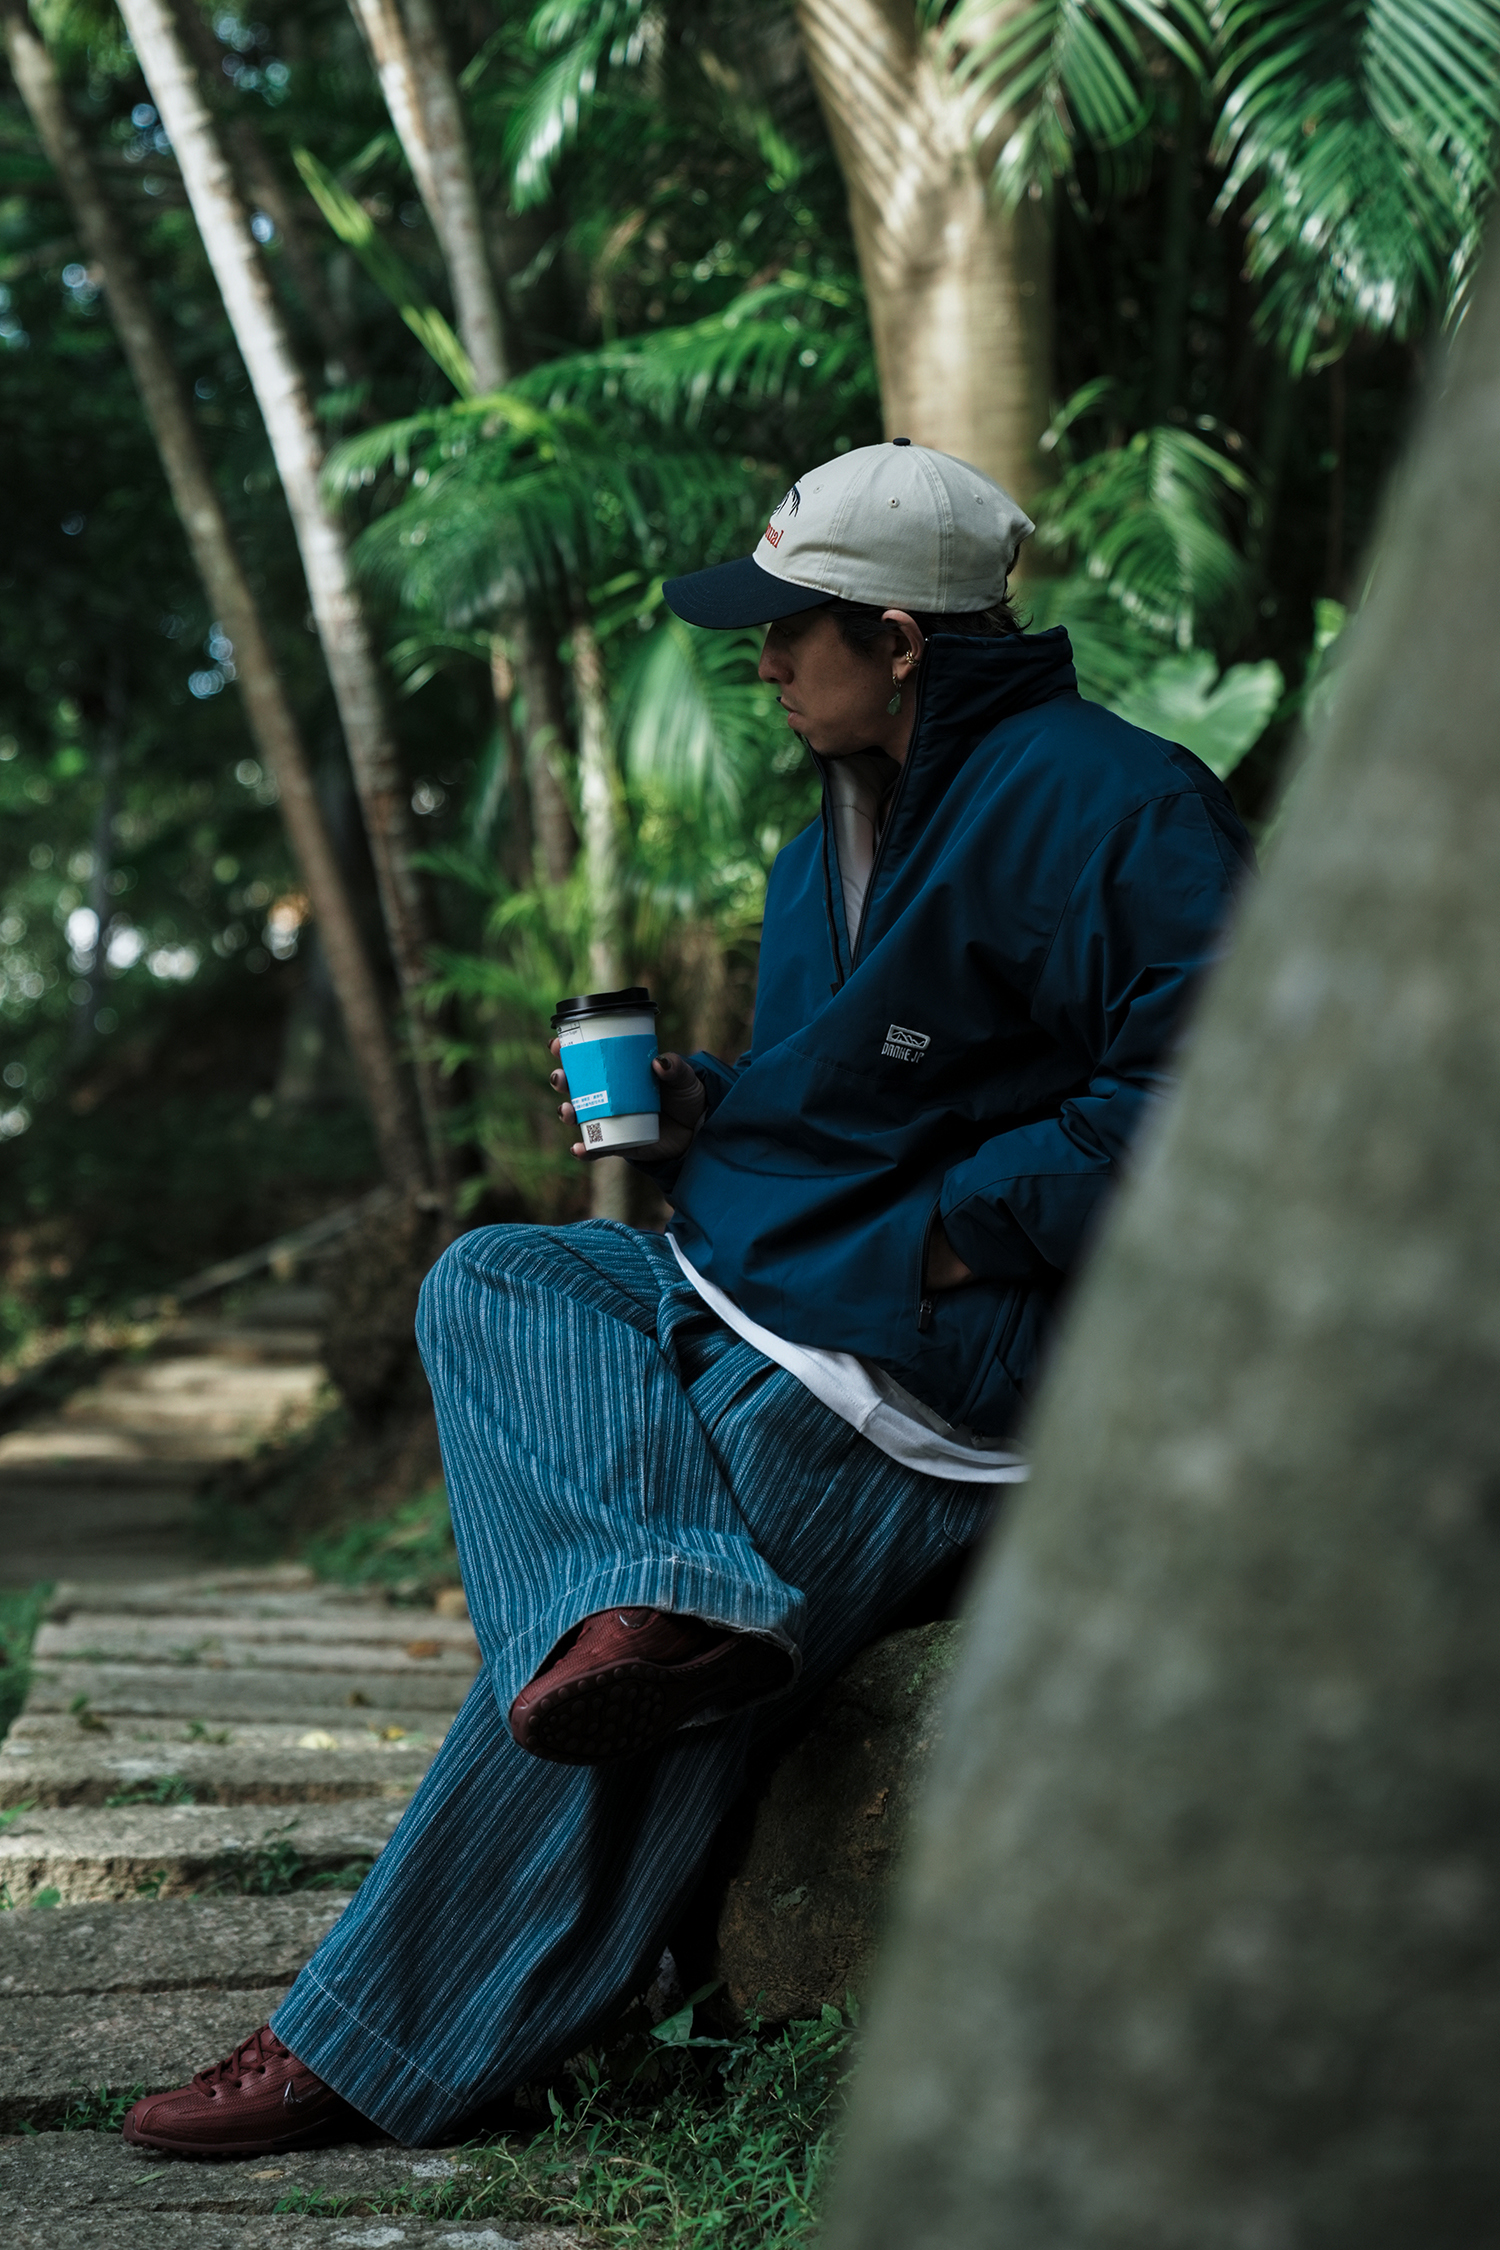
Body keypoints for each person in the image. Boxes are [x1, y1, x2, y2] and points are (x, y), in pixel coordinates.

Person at [122, 440, 1253, 2157]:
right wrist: (709, 1107)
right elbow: (848, 1099)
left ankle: (361, 2039)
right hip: (794, 1282)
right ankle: (668, 1604)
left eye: (791, 630)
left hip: (953, 1367)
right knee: (499, 1279)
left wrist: (951, 1237)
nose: (762, 662)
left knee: (673, 1555)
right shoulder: (827, 844)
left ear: (897, 640)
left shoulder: (1119, 803)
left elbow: (1213, 1100)